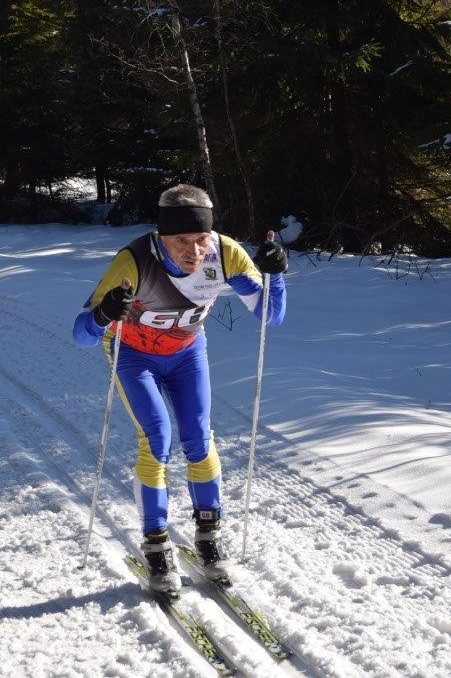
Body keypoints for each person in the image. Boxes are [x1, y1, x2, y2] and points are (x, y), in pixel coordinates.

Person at [72, 184, 287, 595]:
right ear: (162, 235)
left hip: (187, 352)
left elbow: (269, 315)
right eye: (182, 241)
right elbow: (81, 334)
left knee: (199, 439)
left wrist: (275, 273)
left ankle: (208, 537)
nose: (194, 251)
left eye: (201, 238)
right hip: (133, 355)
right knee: (157, 439)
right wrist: (103, 314)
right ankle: (156, 545)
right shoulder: (134, 261)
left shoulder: (225, 253)